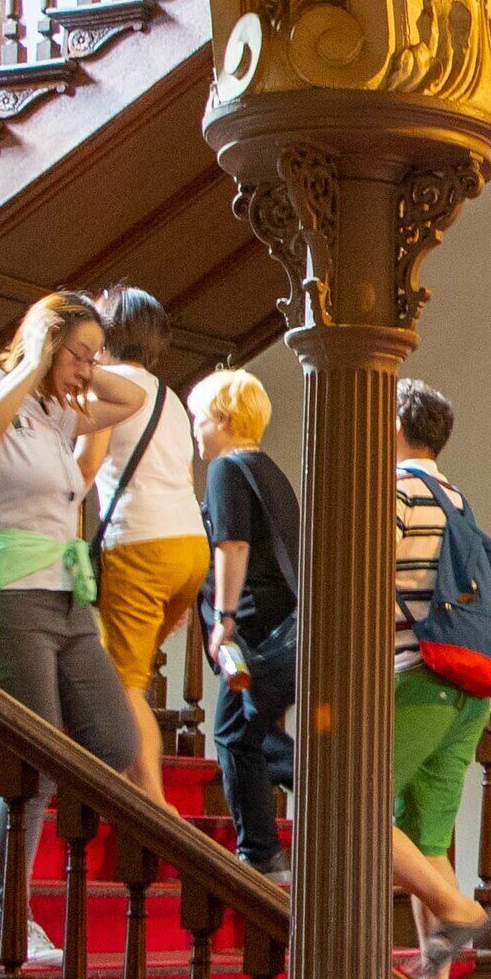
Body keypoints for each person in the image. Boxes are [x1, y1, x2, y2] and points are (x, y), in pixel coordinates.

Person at [0, 292, 148, 956]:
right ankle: (13, 922)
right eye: (79, 355)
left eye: (93, 357)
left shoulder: (65, 411)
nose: (88, 371)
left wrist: (80, 364)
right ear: (45, 345)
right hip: (11, 590)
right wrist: (34, 364)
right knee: (41, 754)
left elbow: (131, 399)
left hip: (66, 595)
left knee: (113, 742)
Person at [390, 381, 491, 979]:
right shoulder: (457, 498)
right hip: (470, 690)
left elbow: (371, 574)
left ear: (397, 427)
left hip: (420, 676)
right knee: (428, 834)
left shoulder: (401, 490)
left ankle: (458, 910)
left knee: (353, 806)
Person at [85, 288, 208, 803]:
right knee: (121, 679)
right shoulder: (172, 398)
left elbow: (83, 470)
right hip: (189, 547)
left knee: (126, 685)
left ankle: (154, 809)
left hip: (140, 544)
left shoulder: (107, 391)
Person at [194, 368, 296, 877]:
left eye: (199, 419)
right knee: (249, 734)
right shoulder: (269, 470)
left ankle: (260, 853)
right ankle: (270, 846)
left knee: (234, 735)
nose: (196, 431)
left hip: (254, 629)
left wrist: (224, 619)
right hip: (284, 625)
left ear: (224, 418)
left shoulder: (227, 469)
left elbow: (232, 543)